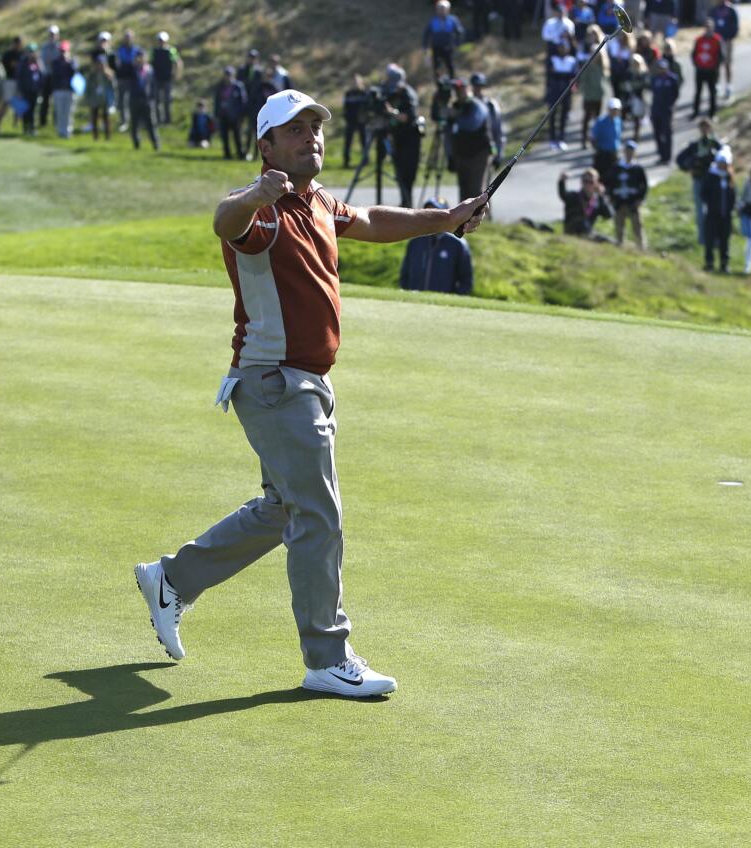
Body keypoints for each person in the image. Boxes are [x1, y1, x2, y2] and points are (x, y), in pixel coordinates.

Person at [133, 88, 488, 698]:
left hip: (306, 384)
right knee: (319, 514)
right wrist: (253, 193)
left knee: (284, 508)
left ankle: (171, 578)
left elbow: (372, 221)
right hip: (275, 383)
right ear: (266, 145)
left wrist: (444, 219)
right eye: (295, 131)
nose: (311, 137)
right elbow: (225, 220)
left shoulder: (316, 200)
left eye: (315, 128)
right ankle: (327, 655)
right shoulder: (264, 211)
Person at [399, 197, 474, 292]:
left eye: (436, 212)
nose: (431, 217)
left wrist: (451, 301)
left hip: (443, 304)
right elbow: (405, 275)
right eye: (428, 212)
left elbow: (466, 281)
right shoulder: (415, 241)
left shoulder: (457, 244)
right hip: (415, 301)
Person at [676, 118, 725, 243]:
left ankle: (715, 237)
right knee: (700, 210)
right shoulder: (695, 145)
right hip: (699, 179)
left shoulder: (715, 145)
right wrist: (689, 167)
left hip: (713, 182)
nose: (704, 130)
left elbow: (725, 160)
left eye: (706, 127)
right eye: (702, 127)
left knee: (713, 210)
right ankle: (703, 238)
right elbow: (680, 159)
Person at [446, 78, 494, 203]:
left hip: (478, 153)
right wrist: (450, 155)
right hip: (461, 153)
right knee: (464, 189)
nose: (458, 93)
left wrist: (455, 116)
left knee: (476, 189)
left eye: (460, 90)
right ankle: (463, 219)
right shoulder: (456, 106)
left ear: (467, 89)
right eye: (456, 90)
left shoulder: (476, 105)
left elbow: (473, 123)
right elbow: (447, 130)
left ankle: (480, 217)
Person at [385, 65, 423, 207]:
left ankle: (408, 205)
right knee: (400, 175)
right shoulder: (393, 93)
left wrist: (391, 112)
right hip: (398, 140)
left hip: (410, 141)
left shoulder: (408, 94)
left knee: (407, 176)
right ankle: (405, 203)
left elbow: (409, 117)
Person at [701, 146, 736, 272]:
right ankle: (709, 263)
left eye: (725, 163)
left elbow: (732, 195)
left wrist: (730, 209)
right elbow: (703, 193)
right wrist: (711, 205)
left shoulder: (729, 177)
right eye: (720, 163)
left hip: (725, 215)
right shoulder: (711, 176)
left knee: (724, 240)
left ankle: (724, 264)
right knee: (710, 239)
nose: (722, 165)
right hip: (712, 214)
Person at [610, 140, 649, 248]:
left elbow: (644, 185)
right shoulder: (616, 167)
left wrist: (640, 199)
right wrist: (612, 198)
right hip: (619, 202)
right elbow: (610, 183)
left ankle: (641, 247)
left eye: (631, 151)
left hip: (633, 202)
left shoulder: (638, 168)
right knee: (619, 226)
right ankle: (619, 245)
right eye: (627, 150)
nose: (629, 153)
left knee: (637, 226)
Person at [577, 25, 610, 149]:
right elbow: (583, 81)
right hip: (589, 95)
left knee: (598, 119)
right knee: (586, 118)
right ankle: (583, 140)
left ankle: (596, 139)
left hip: (599, 94)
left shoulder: (603, 67)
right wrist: (583, 90)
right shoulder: (587, 66)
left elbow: (605, 81)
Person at [558, 168, 613, 238]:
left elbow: (609, 215)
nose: (588, 184)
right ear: (582, 182)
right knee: (582, 222)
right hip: (571, 232)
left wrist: (602, 196)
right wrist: (562, 181)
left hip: (588, 233)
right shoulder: (574, 196)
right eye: (585, 181)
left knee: (608, 240)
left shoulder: (598, 200)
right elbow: (563, 195)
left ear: (596, 183)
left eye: (591, 182)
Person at [470, 72, 504, 177]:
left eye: (480, 86)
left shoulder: (490, 105)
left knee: (485, 188)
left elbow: (498, 131)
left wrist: (498, 154)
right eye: (475, 86)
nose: (478, 89)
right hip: (470, 152)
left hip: (487, 150)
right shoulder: (467, 105)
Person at [546, 39, 578, 150]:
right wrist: (563, 76)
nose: (562, 49)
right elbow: (551, 76)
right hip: (554, 91)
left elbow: (573, 76)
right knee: (552, 116)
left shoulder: (572, 60)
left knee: (564, 116)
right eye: (561, 47)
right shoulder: (552, 59)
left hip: (566, 92)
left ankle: (561, 139)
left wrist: (560, 75)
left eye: (564, 47)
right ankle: (552, 139)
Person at [423, 0, 465, 79]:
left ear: (448, 9)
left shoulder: (453, 20)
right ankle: (439, 85)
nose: (442, 11)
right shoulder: (433, 21)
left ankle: (452, 82)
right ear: (437, 10)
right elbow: (426, 34)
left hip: (448, 48)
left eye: (444, 8)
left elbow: (460, 32)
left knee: (450, 66)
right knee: (436, 67)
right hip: (436, 48)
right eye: (440, 8)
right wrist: (425, 47)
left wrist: (457, 44)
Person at [691, 19, 724, 119]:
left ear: (713, 28)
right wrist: (697, 64)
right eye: (706, 27)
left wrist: (715, 66)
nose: (708, 29)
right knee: (698, 92)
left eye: (710, 27)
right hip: (700, 70)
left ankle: (712, 113)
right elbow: (694, 54)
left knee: (712, 92)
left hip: (712, 70)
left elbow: (721, 56)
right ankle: (696, 112)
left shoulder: (717, 40)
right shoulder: (699, 40)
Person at [127, 50, 160, 151]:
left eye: (142, 57)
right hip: (135, 99)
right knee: (135, 124)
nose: (140, 59)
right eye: (138, 57)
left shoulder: (150, 70)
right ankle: (136, 144)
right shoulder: (132, 70)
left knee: (151, 123)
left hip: (147, 100)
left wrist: (153, 98)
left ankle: (156, 144)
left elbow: (154, 85)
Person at [649, 58, 680, 163]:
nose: (661, 70)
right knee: (657, 133)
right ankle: (661, 155)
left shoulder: (672, 79)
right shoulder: (655, 79)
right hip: (656, 109)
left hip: (667, 110)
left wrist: (671, 105)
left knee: (667, 133)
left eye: (663, 68)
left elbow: (676, 94)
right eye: (660, 68)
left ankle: (668, 156)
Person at [238, 49, 267, 160]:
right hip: (243, 103)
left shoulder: (259, 71)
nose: (252, 59)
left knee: (255, 130)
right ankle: (243, 152)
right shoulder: (242, 70)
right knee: (241, 129)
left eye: (254, 58)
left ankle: (255, 153)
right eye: (250, 57)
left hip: (254, 105)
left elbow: (260, 88)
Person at [214, 66, 248, 159]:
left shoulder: (238, 86)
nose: (227, 77)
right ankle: (227, 154)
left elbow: (243, 101)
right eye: (226, 75)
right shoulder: (220, 86)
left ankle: (240, 154)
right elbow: (217, 101)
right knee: (224, 136)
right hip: (223, 115)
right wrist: (216, 114)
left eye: (229, 75)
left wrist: (242, 115)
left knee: (237, 136)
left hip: (235, 116)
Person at [151, 31, 182, 125]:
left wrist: (177, 74)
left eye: (162, 40)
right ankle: (158, 119)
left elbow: (178, 62)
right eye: (160, 40)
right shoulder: (154, 51)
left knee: (167, 100)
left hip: (167, 79)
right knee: (156, 100)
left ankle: (167, 120)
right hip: (156, 78)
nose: (161, 42)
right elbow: (150, 63)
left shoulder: (171, 50)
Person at [708, 0, 738, 98]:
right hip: (716, 41)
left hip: (727, 40)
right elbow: (710, 24)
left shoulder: (731, 9)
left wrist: (729, 37)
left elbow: (735, 26)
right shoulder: (713, 10)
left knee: (727, 64)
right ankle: (717, 85)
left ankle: (728, 86)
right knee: (716, 64)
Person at [590, 97, 622, 185]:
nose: (615, 111)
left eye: (617, 109)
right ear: (608, 109)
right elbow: (593, 137)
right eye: (613, 109)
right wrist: (597, 150)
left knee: (614, 179)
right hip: (602, 155)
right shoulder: (600, 121)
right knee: (601, 180)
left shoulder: (618, 121)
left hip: (614, 154)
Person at [50, 40, 78, 139]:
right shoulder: (55, 62)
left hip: (70, 90)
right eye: (62, 51)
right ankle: (61, 132)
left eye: (65, 51)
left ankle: (68, 132)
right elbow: (55, 75)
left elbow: (75, 73)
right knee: (60, 112)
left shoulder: (72, 61)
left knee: (69, 112)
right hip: (58, 90)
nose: (63, 53)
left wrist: (69, 62)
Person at [84, 53, 115, 141]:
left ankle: (107, 137)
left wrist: (112, 100)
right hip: (95, 99)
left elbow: (113, 88)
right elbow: (88, 87)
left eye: (101, 63)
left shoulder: (109, 74)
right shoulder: (91, 75)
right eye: (97, 63)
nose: (99, 65)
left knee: (106, 118)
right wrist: (88, 98)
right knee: (94, 117)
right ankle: (95, 137)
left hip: (105, 99)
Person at [114, 30, 140, 131]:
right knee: (122, 101)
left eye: (129, 37)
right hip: (122, 78)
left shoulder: (137, 50)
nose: (128, 39)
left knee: (133, 101)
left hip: (134, 79)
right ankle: (124, 121)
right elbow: (117, 63)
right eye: (126, 37)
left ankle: (134, 120)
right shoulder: (120, 49)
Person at [15, 43, 44, 136]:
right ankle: (26, 128)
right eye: (29, 52)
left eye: (33, 52)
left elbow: (42, 74)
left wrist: (38, 63)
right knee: (25, 109)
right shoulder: (23, 62)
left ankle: (32, 127)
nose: (31, 54)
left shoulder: (38, 62)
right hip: (25, 90)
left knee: (33, 109)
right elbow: (19, 77)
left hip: (35, 90)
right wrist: (19, 90)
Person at [341, 74, 368, 169]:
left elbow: (367, 108)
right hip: (351, 121)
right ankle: (346, 161)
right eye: (353, 82)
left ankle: (365, 160)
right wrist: (347, 118)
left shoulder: (364, 93)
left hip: (362, 122)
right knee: (348, 142)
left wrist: (365, 118)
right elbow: (345, 108)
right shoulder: (348, 94)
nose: (355, 84)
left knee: (364, 142)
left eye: (357, 82)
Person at [0, 36, 25, 131]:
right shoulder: (8, 54)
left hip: (19, 81)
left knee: (19, 103)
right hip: (9, 81)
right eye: (16, 43)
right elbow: (3, 67)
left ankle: (16, 124)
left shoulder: (22, 54)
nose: (18, 45)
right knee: (6, 102)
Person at [623, 54, 648, 143]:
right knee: (632, 117)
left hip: (640, 98)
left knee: (638, 117)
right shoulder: (629, 73)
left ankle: (636, 135)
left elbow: (645, 85)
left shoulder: (643, 73)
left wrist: (635, 85)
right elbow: (626, 85)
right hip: (631, 98)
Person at [38, 27, 60, 128]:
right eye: (51, 34)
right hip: (46, 76)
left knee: (56, 101)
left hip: (56, 77)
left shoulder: (60, 47)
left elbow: (57, 61)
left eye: (54, 34)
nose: (52, 36)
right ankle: (43, 123)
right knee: (45, 101)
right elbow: (44, 60)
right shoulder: (44, 47)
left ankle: (56, 123)